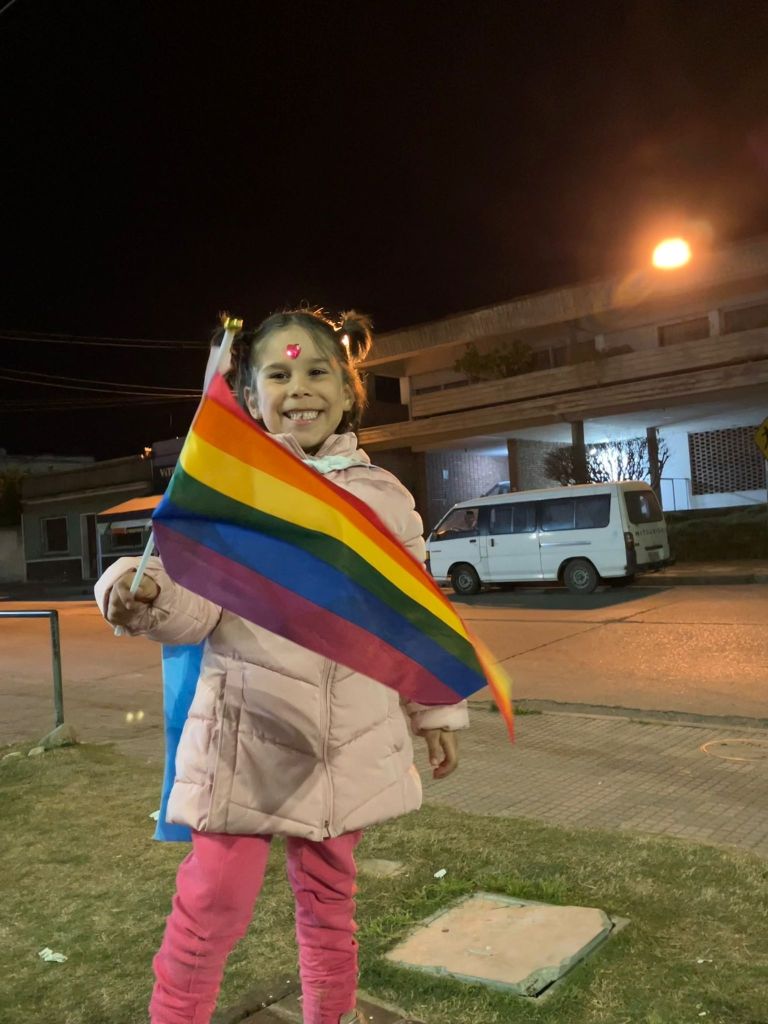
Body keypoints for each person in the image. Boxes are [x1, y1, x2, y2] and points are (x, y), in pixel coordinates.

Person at [94, 308, 469, 1024]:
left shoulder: (385, 498)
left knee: (331, 908)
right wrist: (138, 594)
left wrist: (437, 709)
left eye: (317, 370)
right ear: (250, 394)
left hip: (348, 742)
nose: (300, 388)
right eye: (279, 374)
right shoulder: (232, 490)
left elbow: (413, 613)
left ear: (349, 390)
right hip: (248, 739)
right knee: (210, 908)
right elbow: (194, 604)